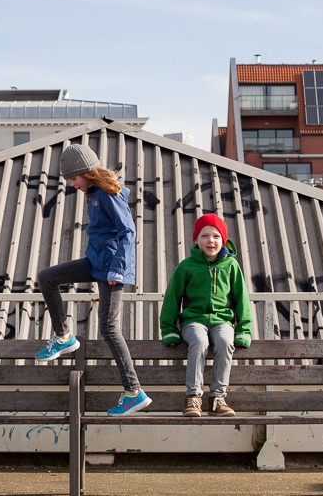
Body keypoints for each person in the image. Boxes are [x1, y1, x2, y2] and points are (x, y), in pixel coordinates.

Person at [35, 143, 151, 416]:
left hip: (111, 269)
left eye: (73, 179)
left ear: (85, 172)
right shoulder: (93, 192)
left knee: (109, 328)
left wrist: (118, 270)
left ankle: (134, 392)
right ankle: (64, 336)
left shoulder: (109, 193)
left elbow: (127, 232)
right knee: (46, 278)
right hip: (95, 262)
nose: (72, 185)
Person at [159, 214, 252, 417]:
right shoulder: (186, 266)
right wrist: (169, 329)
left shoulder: (231, 266)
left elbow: (242, 299)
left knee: (226, 341)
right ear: (196, 240)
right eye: (205, 236)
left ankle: (218, 398)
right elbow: (171, 299)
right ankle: (193, 397)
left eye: (216, 236)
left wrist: (243, 330)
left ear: (224, 240)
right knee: (199, 341)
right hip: (194, 321)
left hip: (222, 321)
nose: (211, 240)